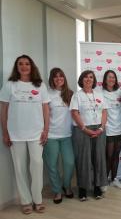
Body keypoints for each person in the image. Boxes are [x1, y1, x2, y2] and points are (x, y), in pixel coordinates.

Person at [0, 55, 50, 214]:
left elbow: (46, 109)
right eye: (20, 64)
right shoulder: (10, 85)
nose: (24, 66)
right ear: (17, 67)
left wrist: (46, 130)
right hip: (16, 133)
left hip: (36, 132)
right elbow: (3, 109)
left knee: (37, 165)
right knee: (20, 168)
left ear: (31, 66)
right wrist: (5, 132)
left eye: (27, 63)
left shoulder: (40, 85)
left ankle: (38, 199)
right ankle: (26, 201)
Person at [70, 70, 108, 201]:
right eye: (85, 77)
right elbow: (74, 113)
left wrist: (102, 128)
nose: (88, 79)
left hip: (99, 129)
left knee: (99, 159)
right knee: (83, 160)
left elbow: (104, 111)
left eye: (91, 77)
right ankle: (83, 189)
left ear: (94, 80)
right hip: (82, 130)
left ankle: (97, 187)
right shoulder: (77, 95)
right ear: (81, 80)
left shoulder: (99, 94)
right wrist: (84, 129)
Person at [43, 68, 74, 204]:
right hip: (51, 136)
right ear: (51, 79)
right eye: (55, 77)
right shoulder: (46, 94)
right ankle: (57, 190)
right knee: (51, 165)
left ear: (64, 78)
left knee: (69, 162)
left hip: (67, 135)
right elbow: (43, 115)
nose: (58, 79)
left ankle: (66, 185)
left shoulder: (70, 94)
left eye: (61, 76)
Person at [102, 70, 121, 189]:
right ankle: (104, 180)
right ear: (105, 79)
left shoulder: (120, 91)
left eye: (113, 77)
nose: (111, 79)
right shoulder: (100, 93)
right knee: (109, 155)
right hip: (108, 128)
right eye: (109, 77)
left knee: (117, 154)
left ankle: (114, 179)